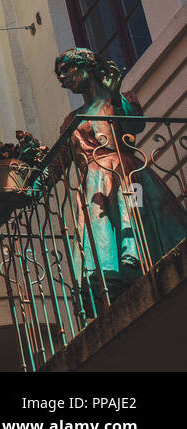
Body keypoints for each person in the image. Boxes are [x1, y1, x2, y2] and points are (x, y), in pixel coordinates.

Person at [54, 48, 187, 300]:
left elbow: (135, 125)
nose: (62, 78)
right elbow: (57, 165)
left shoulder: (120, 98)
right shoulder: (71, 120)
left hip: (125, 175)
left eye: (66, 69)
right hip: (93, 189)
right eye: (59, 74)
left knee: (135, 216)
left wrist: (115, 97)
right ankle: (113, 279)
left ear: (87, 66)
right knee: (101, 233)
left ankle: (136, 261)